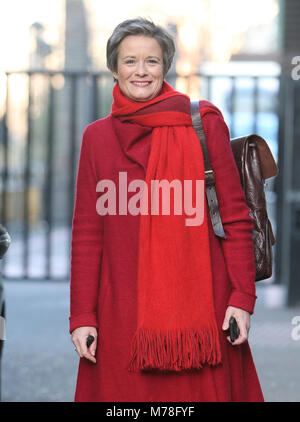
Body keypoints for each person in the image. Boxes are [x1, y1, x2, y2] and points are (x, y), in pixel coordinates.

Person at [69, 17, 264, 402]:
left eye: (152, 61)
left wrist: (242, 299)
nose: (141, 71)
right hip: (121, 316)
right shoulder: (96, 138)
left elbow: (236, 218)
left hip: (204, 316)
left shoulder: (204, 124)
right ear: (114, 68)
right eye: (130, 61)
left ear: (166, 66)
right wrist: (81, 317)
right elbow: (87, 235)